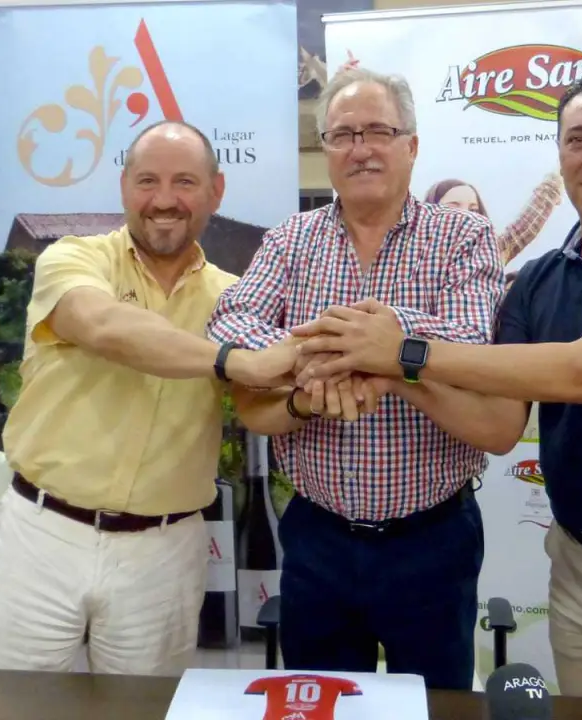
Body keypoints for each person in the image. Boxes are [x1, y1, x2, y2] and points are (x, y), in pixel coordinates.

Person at [292, 72, 582, 706]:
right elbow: (498, 427)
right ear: (561, 155)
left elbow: (581, 373)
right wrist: (390, 372)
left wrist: (402, 352)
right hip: (579, 570)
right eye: (577, 140)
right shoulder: (538, 282)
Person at [204, 67, 513, 690]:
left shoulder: (463, 235)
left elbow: (470, 333)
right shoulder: (291, 240)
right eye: (342, 135)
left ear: (412, 146)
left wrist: (385, 345)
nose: (360, 148)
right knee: (320, 701)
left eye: (378, 131)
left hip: (433, 540)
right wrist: (316, 355)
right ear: (326, 151)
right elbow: (230, 320)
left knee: (435, 703)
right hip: (317, 536)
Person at [0, 120, 298, 676]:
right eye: (148, 181)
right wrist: (232, 358)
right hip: (42, 537)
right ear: (124, 187)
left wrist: (311, 393)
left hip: (164, 554)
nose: (164, 200)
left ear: (216, 191)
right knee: (7, 707)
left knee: (144, 710)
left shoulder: (233, 297)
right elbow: (104, 326)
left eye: (185, 182)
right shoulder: (72, 258)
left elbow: (258, 403)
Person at [423, 174, 564, 265]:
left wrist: (561, 168)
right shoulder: (415, 257)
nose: (466, 215)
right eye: (453, 207)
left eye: (473, 210)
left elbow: (531, 216)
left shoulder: (492, 251)